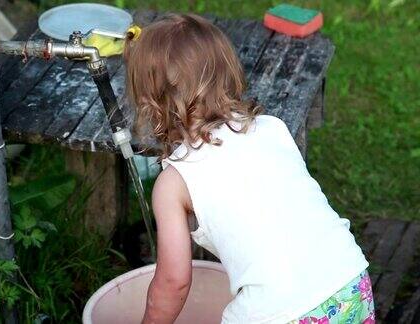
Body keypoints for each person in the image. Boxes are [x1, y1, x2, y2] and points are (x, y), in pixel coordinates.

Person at [123, 14, 374, 324]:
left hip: (281, 313)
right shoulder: (272, 128)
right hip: (349, 282)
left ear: (150, 103)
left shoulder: (173, 183)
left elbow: (173, 282)